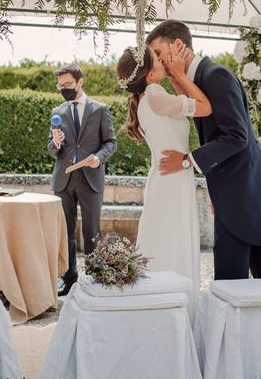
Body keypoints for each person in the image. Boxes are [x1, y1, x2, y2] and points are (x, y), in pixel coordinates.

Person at [151, 19, 261, 280]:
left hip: (244, 190)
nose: (157, 62)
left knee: (234, 276)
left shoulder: (217, 76)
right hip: (233, 190)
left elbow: (237, 136)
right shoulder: (200, 79)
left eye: (158, 54)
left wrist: (187, 160)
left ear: (178, 45)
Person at [116, 41, 212, 317]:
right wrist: (181, 75)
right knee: (173, 242)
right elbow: (205, 107)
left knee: (166, 240)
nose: (162, 60)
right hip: (173, 180)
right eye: (157, 59)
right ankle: (172, 312)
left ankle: (162, 309)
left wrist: (174, 78)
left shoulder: (150, 97)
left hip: (168, 177)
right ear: (149, 73)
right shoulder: (155, 95)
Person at [48, 64, 117, 296]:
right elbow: (51, 149)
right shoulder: (57, 112)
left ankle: (95, 277)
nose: (63, 89)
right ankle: (69, 278)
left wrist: (99, 157)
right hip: (64, 180)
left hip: (91, 177)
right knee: (64, 232)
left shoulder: (99, 110)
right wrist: (56, 142)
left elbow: (111, 142)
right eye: (60, 86)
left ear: (80, 82)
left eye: (67, 85)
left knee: (91, 231)